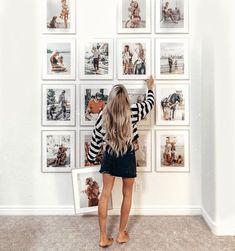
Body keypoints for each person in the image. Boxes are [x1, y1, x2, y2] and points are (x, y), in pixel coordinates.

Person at [87, 76, 155, 248]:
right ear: (126, 98)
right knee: (128, 194)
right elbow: (149, 103)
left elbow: (96, 138)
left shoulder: (104, 114)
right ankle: (121, 234)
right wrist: (150, 87)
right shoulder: (133, 110)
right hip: (127, 157)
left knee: (105, 194)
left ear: (110, 99)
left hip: (109, 155)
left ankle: (103, 237)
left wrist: (90, 158)